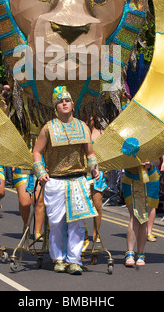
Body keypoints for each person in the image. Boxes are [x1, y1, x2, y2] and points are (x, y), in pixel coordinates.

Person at [32, 86, 100, 275]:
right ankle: (58, 258)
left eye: (67, 100)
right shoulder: (48, 128)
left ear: (72, 104)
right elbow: (36, 152)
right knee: (56, 222)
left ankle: (74, 260)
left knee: (77, 223)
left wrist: (94, 166)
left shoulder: (82, 126)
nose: (64, 103)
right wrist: (40, 171)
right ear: (56, 106)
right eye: (60, 101)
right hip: (55, 181)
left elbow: (90, 153)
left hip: (78, 180)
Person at [122, 160, 160, 267]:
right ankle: (129, 253)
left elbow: (157, 160)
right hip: (130, 180)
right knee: (134, 217)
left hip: (149, 181)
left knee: (144, 218)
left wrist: (150, 163)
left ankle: (140, 253)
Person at [13, 168, 45, 240]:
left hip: (39, 170)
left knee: (39, 201)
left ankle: (37, 232)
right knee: (24, 204)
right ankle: (26, 225)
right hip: (22, 170)